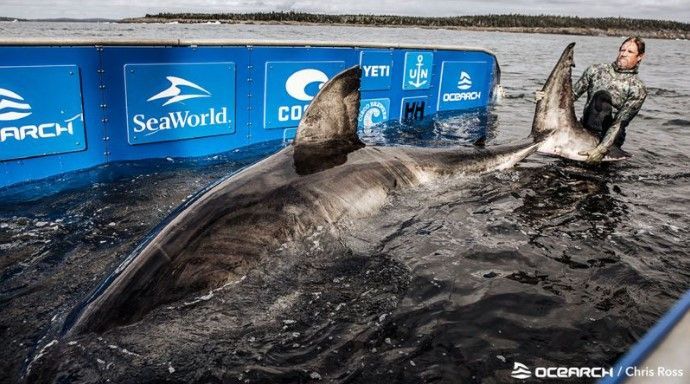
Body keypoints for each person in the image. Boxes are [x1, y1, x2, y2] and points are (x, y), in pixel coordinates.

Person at [574, 37, 648, 163]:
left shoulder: (638, 88)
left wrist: (602, 149)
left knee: (603, 97)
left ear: (640, 56)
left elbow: (619, 123)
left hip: (611, 139)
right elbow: (571, 96)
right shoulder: (595, 70)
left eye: (630, 52)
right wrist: (545, 97)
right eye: (622, 50)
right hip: (585, 128)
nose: (623, 54)